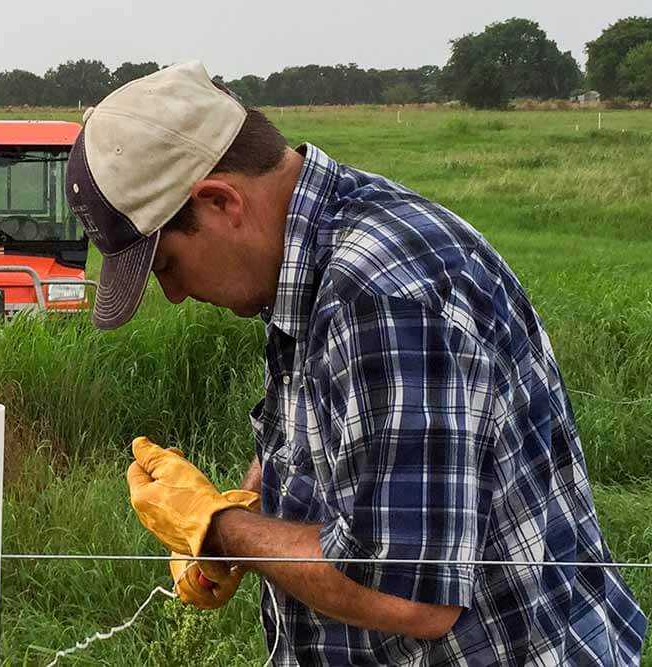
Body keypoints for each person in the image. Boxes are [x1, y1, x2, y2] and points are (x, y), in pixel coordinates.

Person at [65, 61, 647, 665]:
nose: (177, 294)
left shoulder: (382, 294)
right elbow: (326, 437)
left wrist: (218, 529)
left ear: (219, 201)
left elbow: (406, 593)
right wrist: (242, 504)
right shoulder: (312, 249)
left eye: (166, 266)